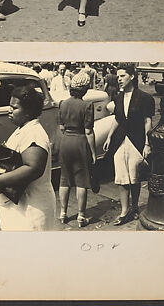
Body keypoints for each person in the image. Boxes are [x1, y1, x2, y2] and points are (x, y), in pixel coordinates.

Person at [0, 83, 56, 230]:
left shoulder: (34, 133)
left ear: (28, 112)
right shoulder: (24, 128)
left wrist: (1, 179)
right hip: (22, 206)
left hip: (32, 208)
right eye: (10, 106)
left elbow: (34, 167)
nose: (9, 110)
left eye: (15, 108)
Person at [103, 63, 155, 226]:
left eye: (122, 76)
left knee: (135, 177)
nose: (119, 79)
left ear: (132, 76)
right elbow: (118, 119)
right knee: (121, 177)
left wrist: (147, 143)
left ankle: (134, 207)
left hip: (136, 140)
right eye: (118, 76)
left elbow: (148, 121)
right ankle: (124, 211)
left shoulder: (145, 98)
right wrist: (109, 137)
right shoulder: (117, 98)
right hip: (120, 141)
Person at [57, 72, 97, 228]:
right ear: (85, 89)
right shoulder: (87, 106)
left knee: (64, 178)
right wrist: (93, 152)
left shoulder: (63, 104)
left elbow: (61, 127)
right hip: (80, 142)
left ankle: (63, 213)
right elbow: (89, 132)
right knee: (82, 180)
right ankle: (81, 215)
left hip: (65, 141)